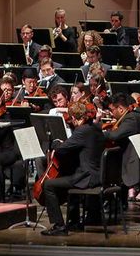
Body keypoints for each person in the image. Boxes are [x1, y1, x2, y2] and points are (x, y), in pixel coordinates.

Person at [40, 100, 103, 236]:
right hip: (98, 175)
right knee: (71, 175)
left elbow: (62, 150)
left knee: (48, 185)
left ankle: (59, 225)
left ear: (74, 118)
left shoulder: (81, 131)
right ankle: (73, 221)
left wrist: (56, 143)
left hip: (87, 178)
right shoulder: (96, 127)